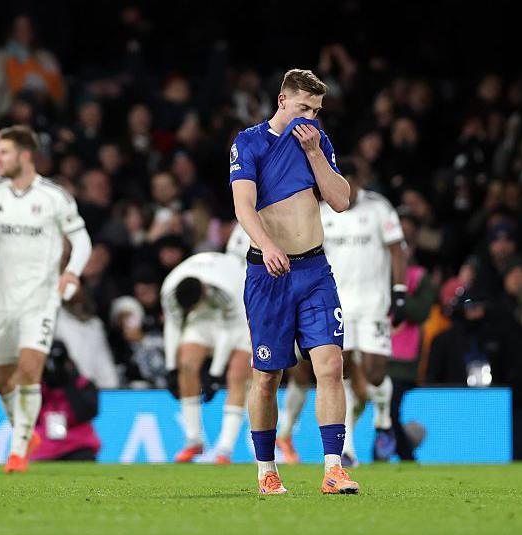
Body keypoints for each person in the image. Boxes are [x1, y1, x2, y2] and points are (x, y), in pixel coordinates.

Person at [229, 69, 358, 494]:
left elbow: (341, 200)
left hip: (315, 271)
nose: (311, 117)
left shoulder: (316, 140)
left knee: (331, 365)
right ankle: (267, 470)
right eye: (304, 107)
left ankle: (334, 469)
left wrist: (316, 153)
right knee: (268, 376)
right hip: (269, 274)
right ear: (283, 100)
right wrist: (267, 245)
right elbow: (243, 206)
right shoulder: (249, 143)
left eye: (316, 110)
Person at [0, 125, 92, 473]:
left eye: (4, 152)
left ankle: (18, 449)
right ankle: (25, 432)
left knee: (29, 369)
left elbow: (82, 240)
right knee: (1, 378)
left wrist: (72, 272)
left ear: (25, 155)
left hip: (39, 300)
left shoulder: (53, 197)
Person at [319, 159, 406, 465]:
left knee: (375, 372)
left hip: (373, 304)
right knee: (339, 373)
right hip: (337, 305)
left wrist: (399, 291)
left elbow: (397, 250)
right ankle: (347, 449)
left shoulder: (379, 208)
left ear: (357, 181)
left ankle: (383, 418)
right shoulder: (322, 212)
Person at [161, 251, 252, 465]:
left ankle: (224, 450)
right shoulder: (169, 291)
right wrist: (171, 368)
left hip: (241, 312)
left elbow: (229, 331)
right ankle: (193, 440)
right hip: (204, 317)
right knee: (186, 364)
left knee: (238, 373)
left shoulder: (226, 291)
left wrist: (214, 373)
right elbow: (173, 326)